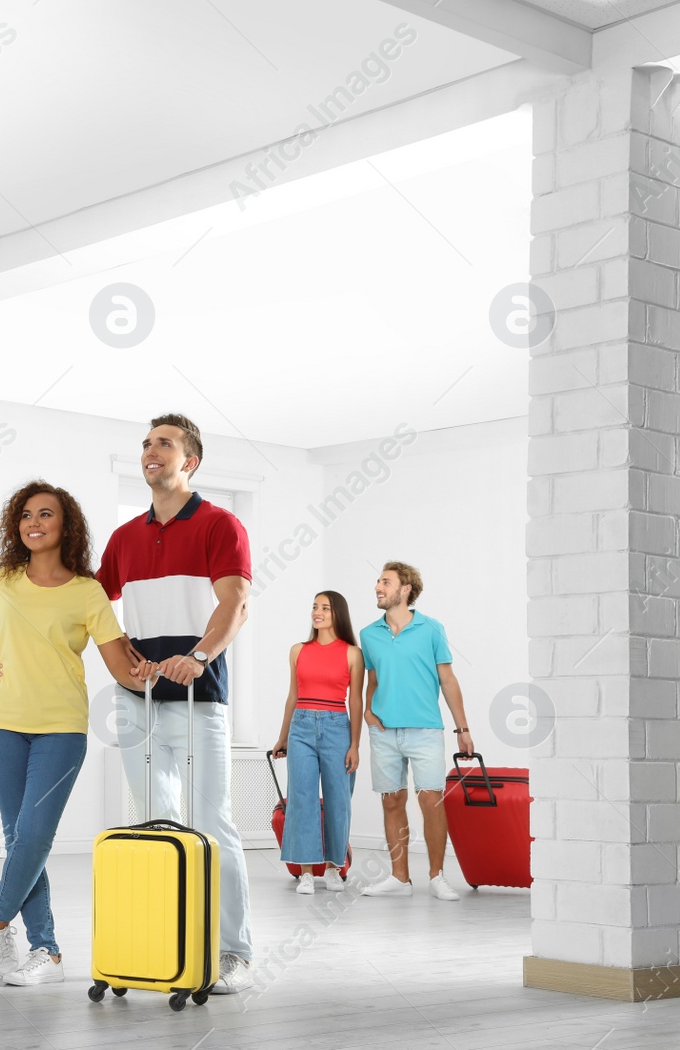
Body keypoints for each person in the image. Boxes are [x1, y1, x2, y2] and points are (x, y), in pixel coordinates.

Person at [0, 481, 141, 987]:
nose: (34, 523)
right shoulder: (3, 580)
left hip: (61, 729)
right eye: (26, 515)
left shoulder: (87, 591)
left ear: (65, 525)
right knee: (19, 841)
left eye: (46, 515)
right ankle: (46, 949)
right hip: (2, 726)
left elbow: (120, 664)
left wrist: (170, 665)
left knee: (33, 837)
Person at [96, 412, 256, 994]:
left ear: (190, 461)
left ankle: (234, 952)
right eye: (145, 444)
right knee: (152, 824)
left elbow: (235, 602)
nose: (150, 451)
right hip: (137, 700)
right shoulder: (125, 538)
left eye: (163, 444)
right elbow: (95, 605)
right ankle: (169, 940)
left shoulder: (219, 524)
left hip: (197, 698)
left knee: (211, 823)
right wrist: (122, 658)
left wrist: (201, 654)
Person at [358, 561, 474, 901]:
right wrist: (367, 709)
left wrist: (462, 728)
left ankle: (437, 876)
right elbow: (373, 678)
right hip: (383, 732)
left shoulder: (431, 629)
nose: (378, 587)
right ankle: (399, 878)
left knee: (431, 800)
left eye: (386, 582)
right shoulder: (369, 634)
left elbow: (448, 680)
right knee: (392, 801)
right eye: (378, 581)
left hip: (425, 729)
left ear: (405, 589)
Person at [270, 591, 363, 895]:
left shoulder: (352, 653)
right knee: (301, 799)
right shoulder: (298, 650)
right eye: (314, 607)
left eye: (324, 607)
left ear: (337, 613)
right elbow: (292, 696)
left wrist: (355, 745)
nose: (317, 612)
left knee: (339, 801)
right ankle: (307, 871)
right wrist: (283, 737)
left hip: (337, 728)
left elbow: (357, 701)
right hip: (301, 728)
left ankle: (335, 867)